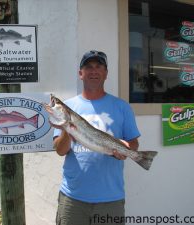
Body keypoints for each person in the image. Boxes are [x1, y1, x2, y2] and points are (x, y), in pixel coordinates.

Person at [53, 50, 141, 225]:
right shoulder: (69, 106)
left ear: (106, 74)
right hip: (73, 197)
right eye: (88, 67)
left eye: (99, 67)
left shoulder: (122, 107)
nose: (94, 71)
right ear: (81, 74)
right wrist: (66, 129)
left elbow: (134, 144)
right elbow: (60, 151)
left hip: (111, 198)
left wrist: (127, 149)